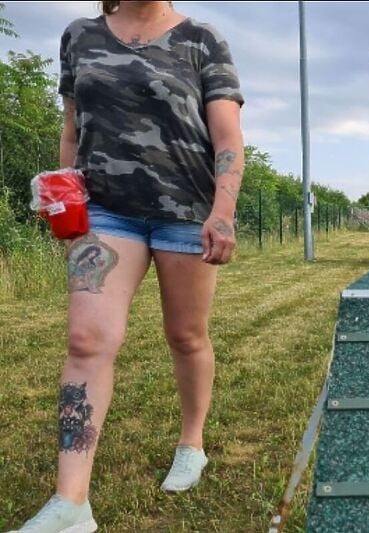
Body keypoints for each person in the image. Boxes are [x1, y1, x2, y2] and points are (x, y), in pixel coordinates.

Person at [10, 1, 244, 531]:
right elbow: (72, 127)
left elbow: (228, 139)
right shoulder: (80, 36)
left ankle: (192, 442)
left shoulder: (202, 39)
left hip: (185, 212)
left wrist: (223, 212)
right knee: (87, 340)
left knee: (186, 336)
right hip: (105, 213)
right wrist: (63, 190)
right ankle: (72, 504)